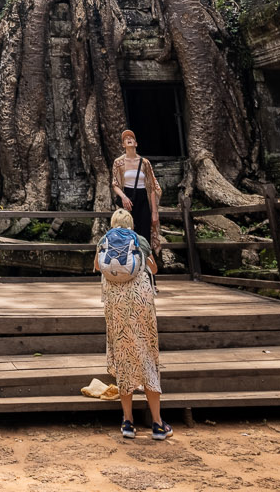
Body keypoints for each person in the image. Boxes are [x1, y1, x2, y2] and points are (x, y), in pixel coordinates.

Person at [97, 208, 168, 440]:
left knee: (124, 360)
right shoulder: (140, 241)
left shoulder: (104, 241)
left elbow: (97, 267)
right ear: (131, 224)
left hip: (116, 307)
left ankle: (128, 423)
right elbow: (154, 269)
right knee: (147, 357)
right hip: (140, 306)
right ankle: (157, 424)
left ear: (113, 224)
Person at [110, 128, 162, 247]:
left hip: (143, 198)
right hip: (127, 198)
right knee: (127, 231)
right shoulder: (118, 163)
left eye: (131, 138)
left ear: (136, 143)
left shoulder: (145, 163)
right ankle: (129, 262)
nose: (128, 139)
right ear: (123, 145)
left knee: (144, 232)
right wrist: (123, 197)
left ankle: (144, 260)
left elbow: (152, 187)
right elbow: (115, 184)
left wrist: (154, 212)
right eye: (125, 139)